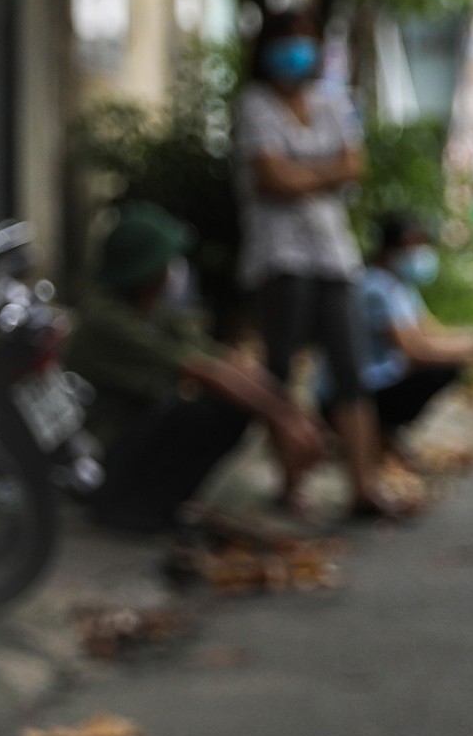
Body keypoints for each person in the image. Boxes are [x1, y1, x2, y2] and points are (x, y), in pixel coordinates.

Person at [67, 202, 329, 536]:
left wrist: (295, 413)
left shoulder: (153, 312)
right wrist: (283, 418)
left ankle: (162, 504)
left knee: (231, 402)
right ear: (150, 270)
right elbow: (205, 371)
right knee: (205, 410)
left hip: (130, 445)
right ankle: (133, 508)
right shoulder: (106, 319)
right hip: (101, 462)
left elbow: (231, 364)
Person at [236, 12, 401, 520]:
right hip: (280, 257)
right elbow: (271, 179)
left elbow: (350, 166)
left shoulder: (330, 101)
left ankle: (363, 485)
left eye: (302, 42)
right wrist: (323, 173)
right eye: (286, 43)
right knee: (282, 370)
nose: (295, 53)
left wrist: (299, 173)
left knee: (351, 369)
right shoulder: (254, 105)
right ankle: (291, 482)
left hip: (334, 255)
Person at [354, 212, 473, 478]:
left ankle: (386, 434)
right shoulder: (376, 288)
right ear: (391, 249)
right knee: (442, 369)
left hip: (383, 380)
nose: (420, 253)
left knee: (449, 364)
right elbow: (415, 351)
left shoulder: (400, 287)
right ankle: (381, 430)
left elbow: (434, 333)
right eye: (412, 245)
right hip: (365, 388)